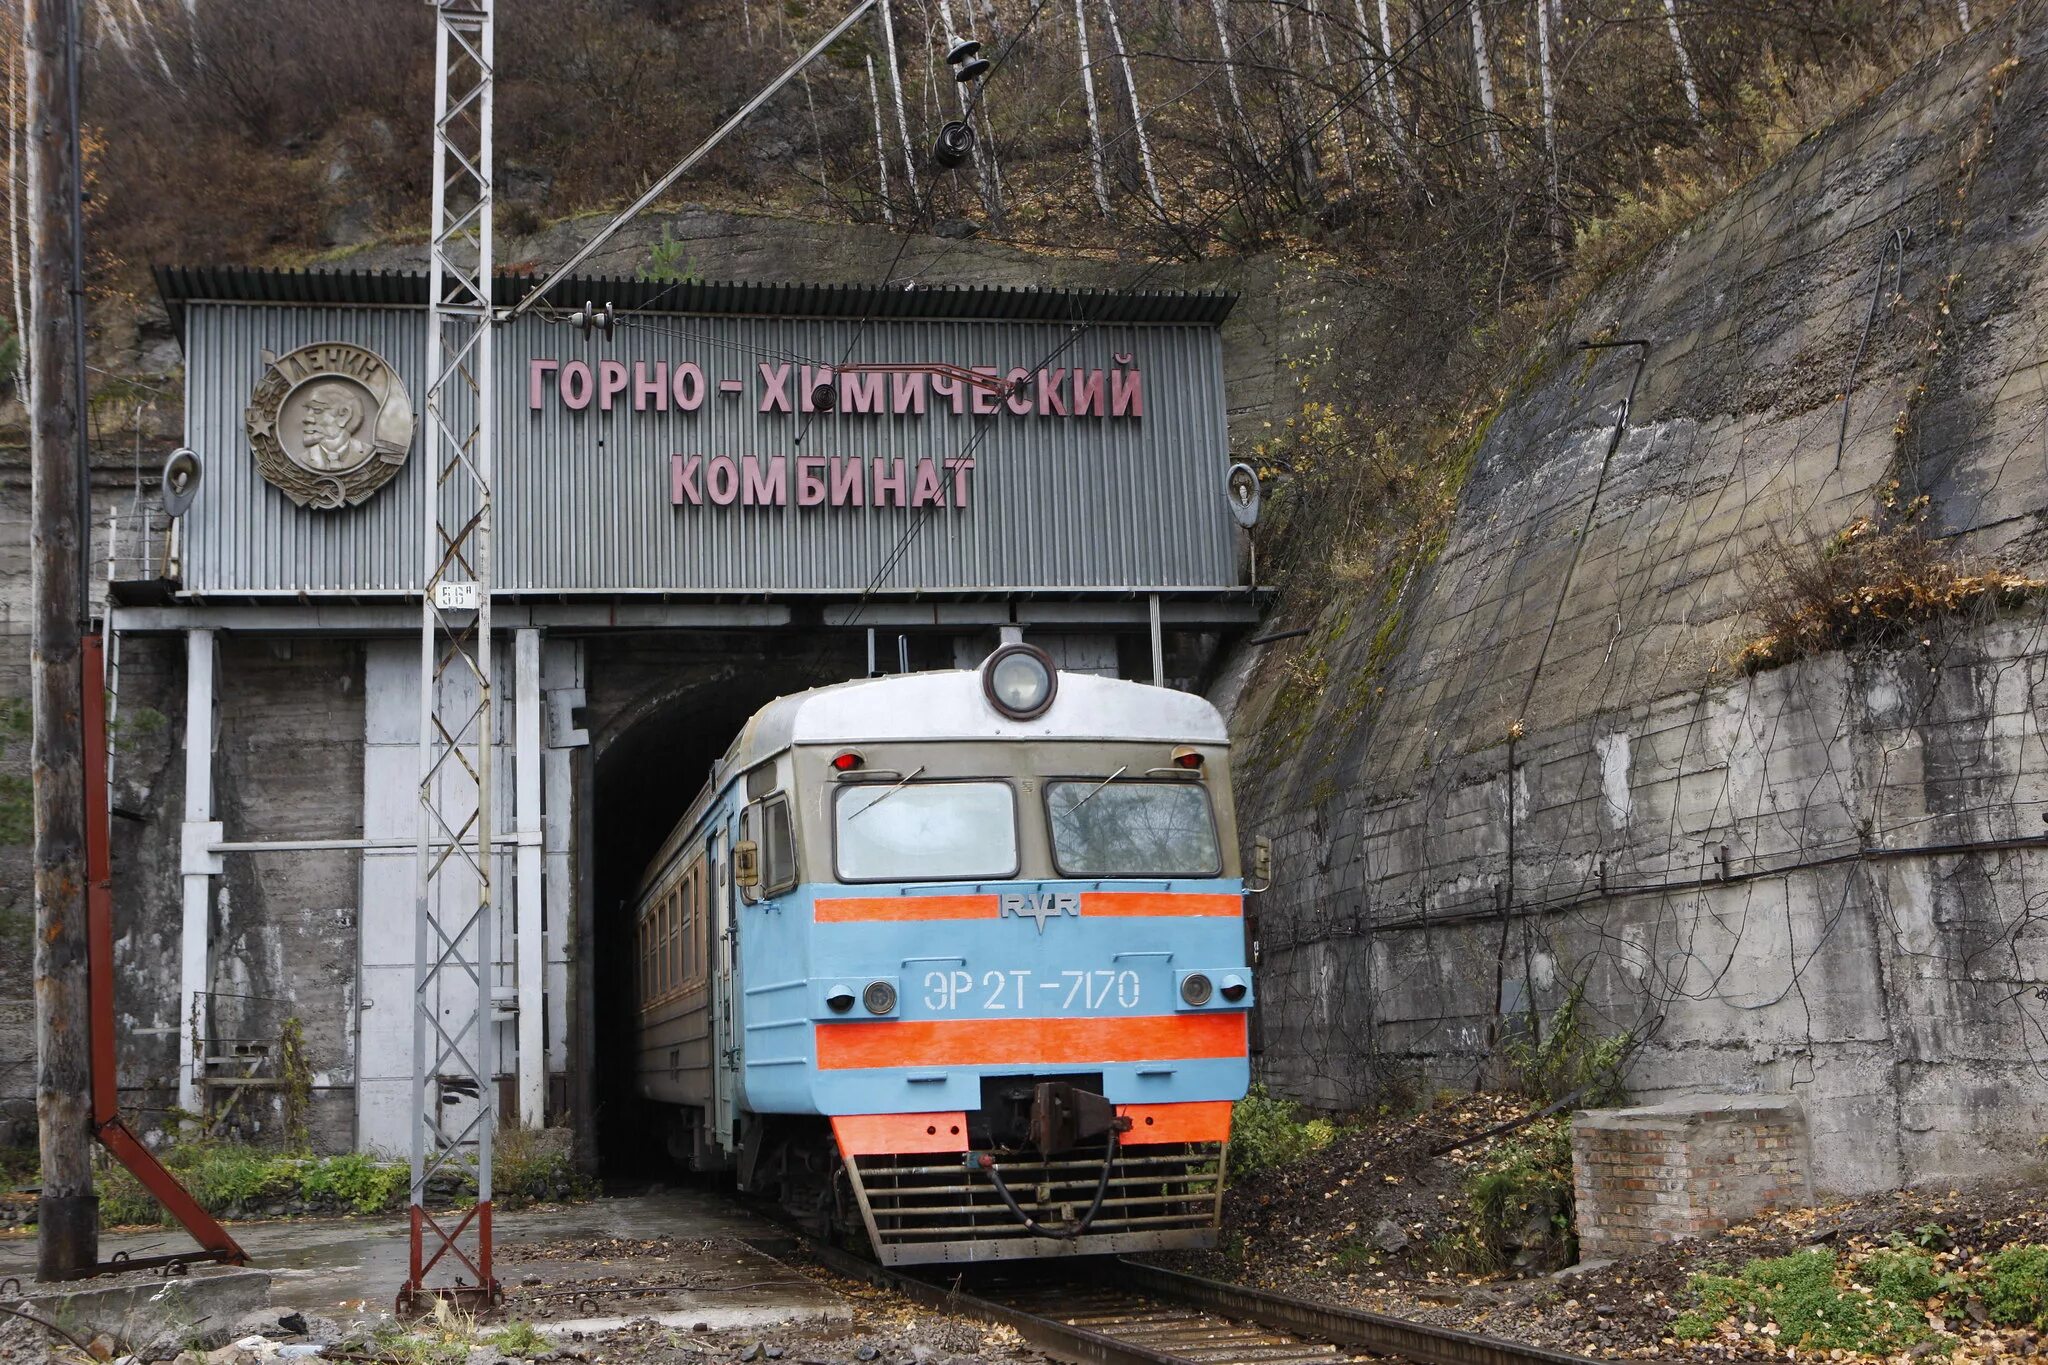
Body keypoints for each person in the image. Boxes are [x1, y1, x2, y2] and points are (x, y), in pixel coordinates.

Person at [297, 381, 372, 472]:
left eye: (317, 410)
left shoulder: (368, 453)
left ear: (344, 415)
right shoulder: (304, 458)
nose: (306, 418)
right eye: (308, 410)